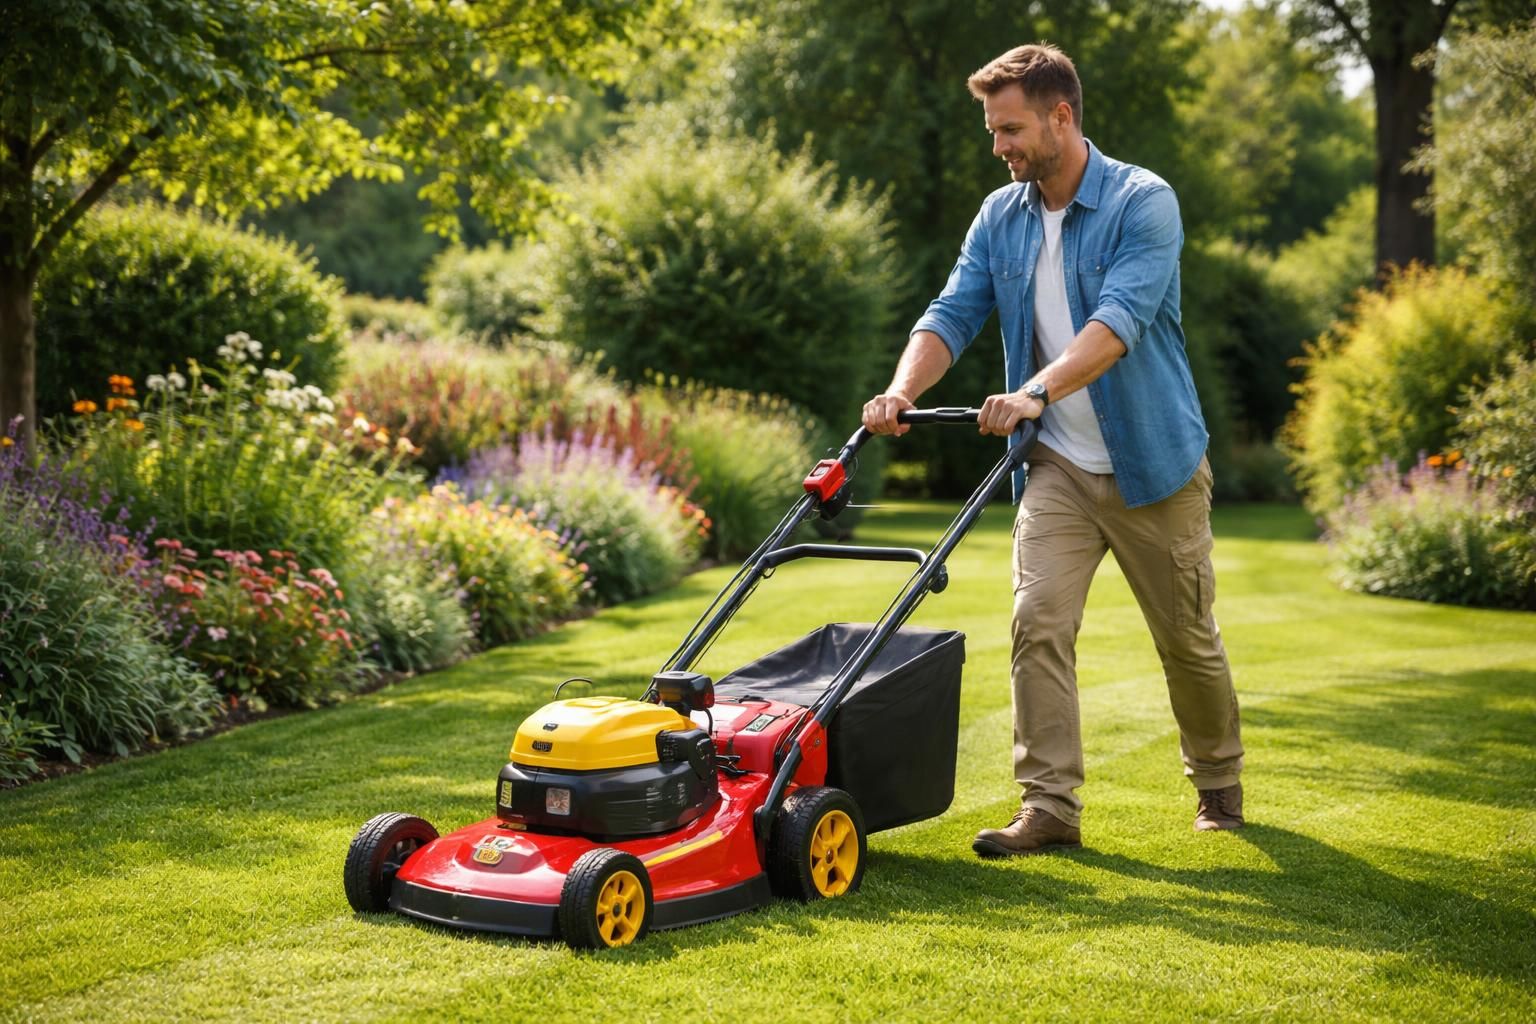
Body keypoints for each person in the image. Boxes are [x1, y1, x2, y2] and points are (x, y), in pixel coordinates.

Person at [861, 42, 1244, 856]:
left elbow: (1116, 327)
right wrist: (903, 391)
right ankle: (1050, 809)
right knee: (1037, 623)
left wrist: (1036, 389)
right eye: (993, 131)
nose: (997, 146)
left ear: (1060, 117)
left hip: (1156, 466)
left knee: (1187, 641)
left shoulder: (1144, 201)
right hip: (1059, 466)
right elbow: (951, 313)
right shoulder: (1001, 216)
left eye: (1010, 129)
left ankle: (1217, 780)